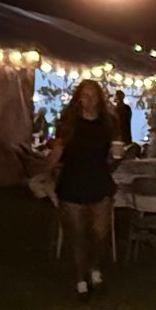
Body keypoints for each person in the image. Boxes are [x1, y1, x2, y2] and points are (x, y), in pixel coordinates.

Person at [50, 78, 122, 298]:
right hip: (74, 180)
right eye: (84, 95)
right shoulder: (69, 122)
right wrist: (45, 170)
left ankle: (95, 267)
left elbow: (114, 153)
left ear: (99, 98)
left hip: (99, 180)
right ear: (78, 97)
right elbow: (58, 150)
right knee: (78, 234)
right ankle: (81, 277)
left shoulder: (107, 122)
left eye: (92, 95)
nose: (88, 100)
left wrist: (119, 157)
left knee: (100, 233)